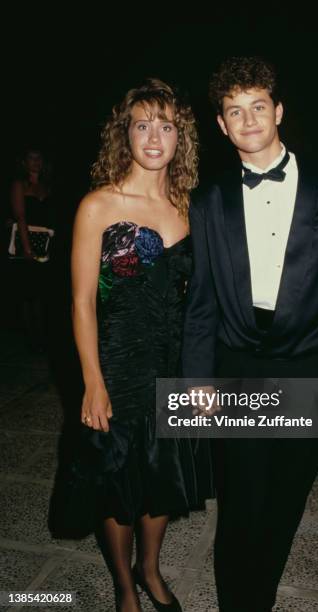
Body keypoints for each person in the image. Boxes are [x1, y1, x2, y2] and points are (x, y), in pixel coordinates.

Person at [182, 56, 318, 611]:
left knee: (286, 500)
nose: (247, 120)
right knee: (241, 500)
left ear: (279, 111)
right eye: (233, 111)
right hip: (238, 361)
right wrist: (198, 378)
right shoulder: (209, 200)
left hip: (312, 364)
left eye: (257, 107)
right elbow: (202, 300)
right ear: (221, 125)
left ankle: (259, 599)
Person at [53, 79, 210, 612]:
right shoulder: (98, 205)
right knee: (117, 483)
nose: (153, 136)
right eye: (142, 123)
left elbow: (198, 301)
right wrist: (92, 382)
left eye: (165, 126)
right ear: (126, 133)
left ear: (179, 137)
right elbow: (81, 303)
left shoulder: (188, 206)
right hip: (116, 367)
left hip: (171, 365)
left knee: (163, 477)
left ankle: (150, 567)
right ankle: (125, 586)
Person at [8, 147, 55, 350]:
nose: (36, 162)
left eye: (39, 158)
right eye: (31, 158)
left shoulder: (47, 186)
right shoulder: (19, 185)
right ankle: (30, 339)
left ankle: (41, 338)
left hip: (44, 241)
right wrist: (27, 248)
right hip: (25, 240)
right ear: (24, 162)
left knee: (41, 291)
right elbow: (21, 216)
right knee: (28, 293)